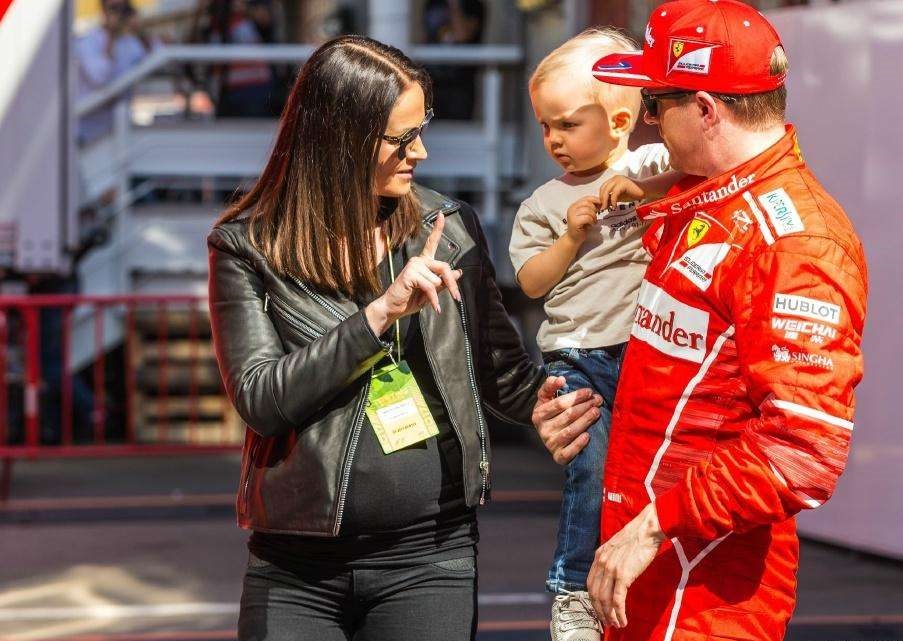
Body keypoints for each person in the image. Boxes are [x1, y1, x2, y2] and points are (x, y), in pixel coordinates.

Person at [208, 34, 601, 641]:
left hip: (431, 556)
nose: (421, 150)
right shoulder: (247, 245)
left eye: (423, 128)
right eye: (402, 137)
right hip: (294, 566)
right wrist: (378, 316)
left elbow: (500, 369)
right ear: (340, 139)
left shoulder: (450, 229)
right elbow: (261, 398)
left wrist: (550, 405)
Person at [538, 2, 869, 640]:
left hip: (707, 597)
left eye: (654, 104)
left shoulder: (796, 244)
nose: (647, 124)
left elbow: (803, 447)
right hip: (637, 576)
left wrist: (654, 525)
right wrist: (580, 421)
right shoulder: (701, 198)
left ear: (706, 109)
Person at [508, 28, 676, 641]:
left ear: (621, 120)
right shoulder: (544, 203)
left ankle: (645, 577)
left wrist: (643, 190)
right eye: (545, 126)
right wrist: (571, 237)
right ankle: (573, 587)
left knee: (652, 468)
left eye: (568, 124)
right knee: (591, 466)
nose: (554, 139)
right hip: (577, 353)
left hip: (646, 347)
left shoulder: (651, 166)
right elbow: (531, 281)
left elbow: (698, 182)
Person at [76, 0, 157, 144]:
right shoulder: (87, 42)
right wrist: (111, 37)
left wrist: (140, 31)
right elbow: (99, 77)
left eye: (124, 8)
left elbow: (155, 58)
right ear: (103, 10)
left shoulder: (130, 42)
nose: (120, 14)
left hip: (119, 131)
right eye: (114, 8)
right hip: (89, 132)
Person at [422, 0, 486, 120]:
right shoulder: (433, 4)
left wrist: (454, 5)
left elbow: (462, 35)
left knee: (458, 127)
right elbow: (426, 38)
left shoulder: (474, 5)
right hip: (432, 84)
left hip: (460, 87)